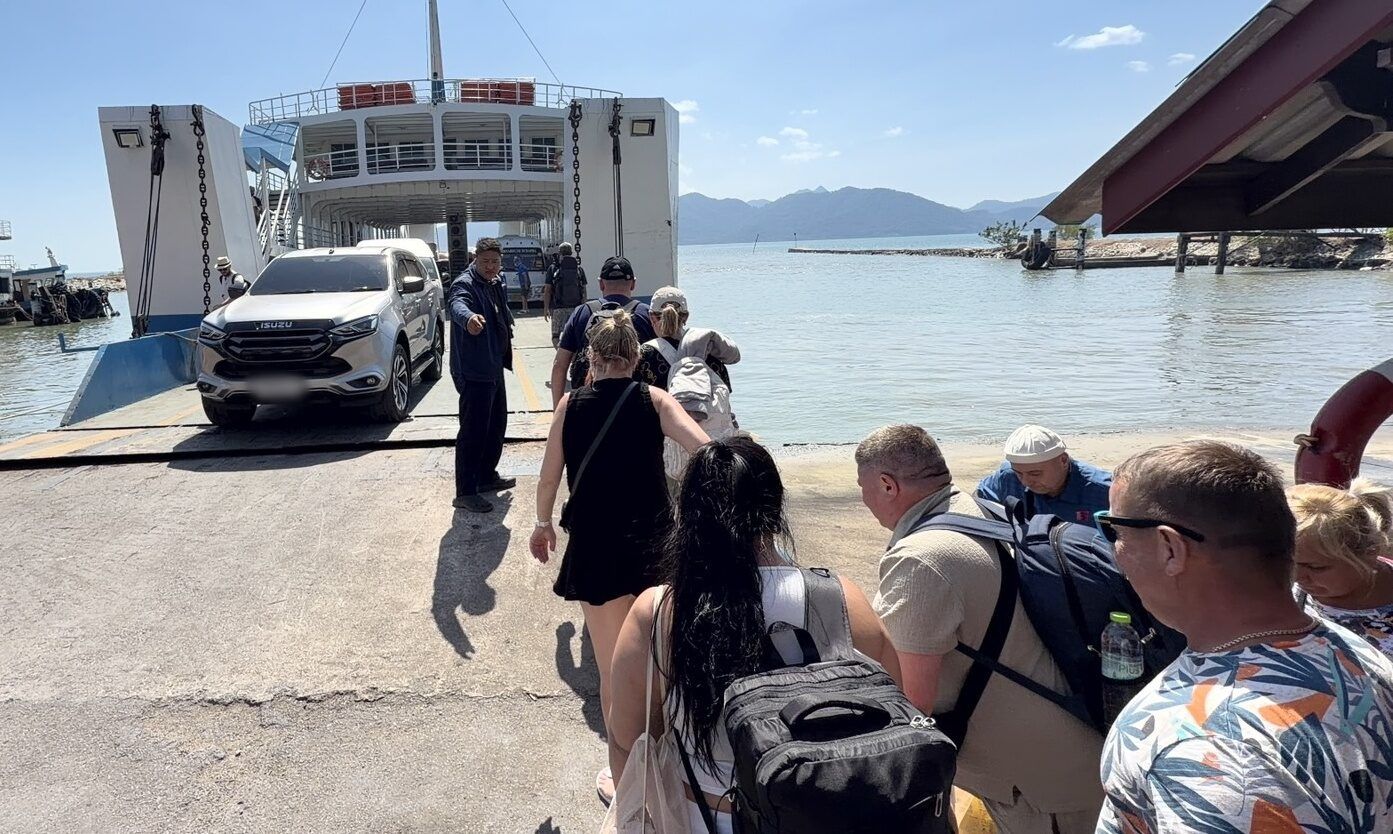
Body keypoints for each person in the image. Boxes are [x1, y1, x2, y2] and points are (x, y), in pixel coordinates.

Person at [607, 436, 903, 833]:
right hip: (826, 813)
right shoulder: (840, 598)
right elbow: (895, 709)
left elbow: (627, 739)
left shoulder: (660, 610)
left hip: (708, 818)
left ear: (689, 512)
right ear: (776, 508)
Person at [1096, 441, 1393, 833]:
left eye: (1116, 531)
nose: (1115, 551)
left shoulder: (1202, 743)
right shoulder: (1355, 652)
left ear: (1171, 548)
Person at [858, 424, 1104, 834]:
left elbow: (912, 702)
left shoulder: (921, 559)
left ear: (886, 485)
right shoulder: (975, 511)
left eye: (862, 487)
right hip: (1072, 746)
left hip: (1041, 788)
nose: (864, 500)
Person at [529, 308, 709, 807]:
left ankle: (625, 778)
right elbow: (705, 450)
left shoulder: (570, 405)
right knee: (664, 660)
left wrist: (543, 524)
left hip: (594, 548)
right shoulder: (653, 400)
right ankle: (673, 762)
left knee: (613, 668)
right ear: (634, 356)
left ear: (592, 356)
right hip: (654, 546)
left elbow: (548, 476)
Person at [637, 285, 741, 487]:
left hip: (666, 459)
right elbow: (726, 396)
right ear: (686, 316)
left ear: (652, 317)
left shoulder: (644, 355)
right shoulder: (710, 353)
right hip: (713, 451)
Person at [1288, 479, 1393, 657]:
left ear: (1369, 553)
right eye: (1288, 562)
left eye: (1315, 567)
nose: (1296, 576)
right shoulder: (1280, 590)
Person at [448, 237, 515, 514]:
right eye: (485, 261)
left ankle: (487, 475)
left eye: (495, 262)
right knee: (473, 431)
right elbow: (457, 304)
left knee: (496, 423)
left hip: (493, 365)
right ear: (476, 259)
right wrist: (469, 319)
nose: (490, 266)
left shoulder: (495, 282)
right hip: (475, 369)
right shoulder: (465, 284)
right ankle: (465, 491)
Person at [549, 256, 655, 408]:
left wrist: (558, 411)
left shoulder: (582, 313)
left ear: (600, 284)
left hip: (588, 404)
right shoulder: (646, 315)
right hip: (636, 404)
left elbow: (559, 365)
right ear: (633, 284)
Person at [975, 424, 1111, 523]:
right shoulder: (1007, 478)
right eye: (1019, 473)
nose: (1025, 482)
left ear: (1063, 461)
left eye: (1035, 474)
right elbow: (978, 500)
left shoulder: (1105, 491)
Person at [543, 242, 587, 347]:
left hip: (558, 308)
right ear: (571, 252)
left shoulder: (553, 268)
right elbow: (584, 291)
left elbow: (547, 290)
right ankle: (574, 358)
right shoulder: (579, 269)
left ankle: (560, 356)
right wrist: (583, 308)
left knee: (555, 336)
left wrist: (545, 308)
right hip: (575, 308)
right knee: (575, 335)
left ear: (559, 253)